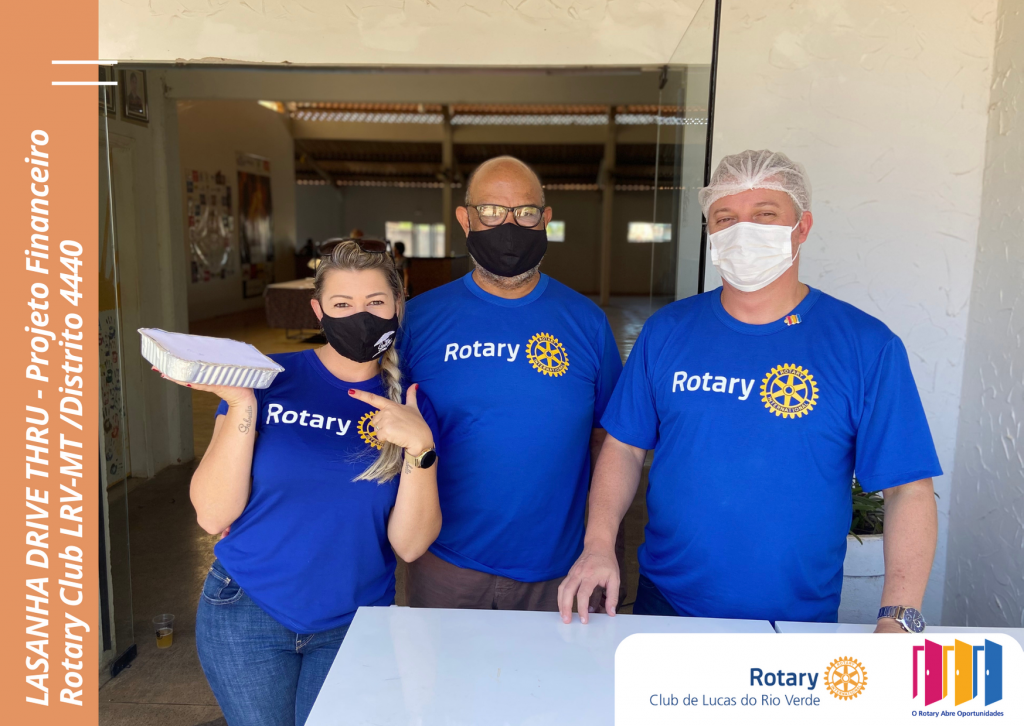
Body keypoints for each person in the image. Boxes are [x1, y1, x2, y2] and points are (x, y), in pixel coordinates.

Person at [559, 149, 942, 633]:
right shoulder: (667, 331)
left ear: (801, 227)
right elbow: (624, 447)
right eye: (725, 218)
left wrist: (898, 616)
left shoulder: (865, 346)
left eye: (764, 214)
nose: (743, 231)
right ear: (711, 233)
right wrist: (597, 546)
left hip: (797, 621)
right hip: (667, 605)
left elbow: (908, 488)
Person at [159, 239, 441, 726]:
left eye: (375, 302)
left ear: (399, 305)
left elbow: (411, 545)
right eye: (342, 304)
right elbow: (213, 513)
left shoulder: (411, 405)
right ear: (318, 311)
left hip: (354, 620)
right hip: (246, 610)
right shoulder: (266, 380)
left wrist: (421, 447)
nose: (361, 316)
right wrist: (243, 404)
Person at [399, 155, 624, 612]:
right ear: (465, 219)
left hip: (558, 572)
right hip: (445, 563)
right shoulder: (418, 320)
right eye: (490, 211)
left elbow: (610, 442)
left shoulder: (586, 323)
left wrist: (604, 548)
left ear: (545, 219)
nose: (508, 225)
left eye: (524, 212)